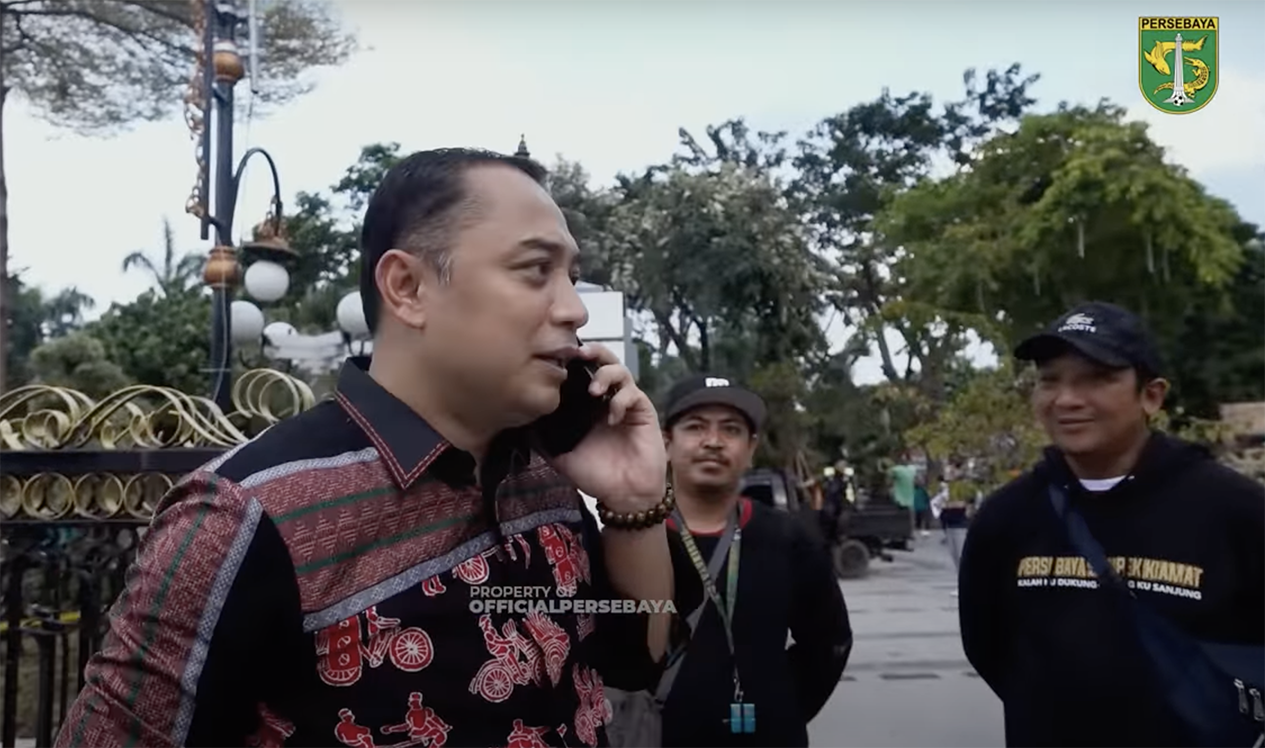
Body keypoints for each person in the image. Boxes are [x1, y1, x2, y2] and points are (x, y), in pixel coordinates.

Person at [57, 148, 679, 748]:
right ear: (407, 287)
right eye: (535, 270)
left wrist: (633, 501)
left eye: (570, 275)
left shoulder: (543, 473)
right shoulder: (246, 515)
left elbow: (635, 661)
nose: (573, 309)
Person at [958, 301, 1265, 748]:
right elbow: (988, 646)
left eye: (1096, 378)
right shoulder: (1008, 515)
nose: (1066, 400)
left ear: (1151, 396)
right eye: (1049, 380)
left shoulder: (1235, 511)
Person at [653, 374, 852, 748]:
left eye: (731, 430)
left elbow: (829, 642)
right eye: (695, 427)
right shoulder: (631, 539)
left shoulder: (789, 539)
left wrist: (780, 706)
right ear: (666, 442)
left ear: (751, 449)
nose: (713, 442)